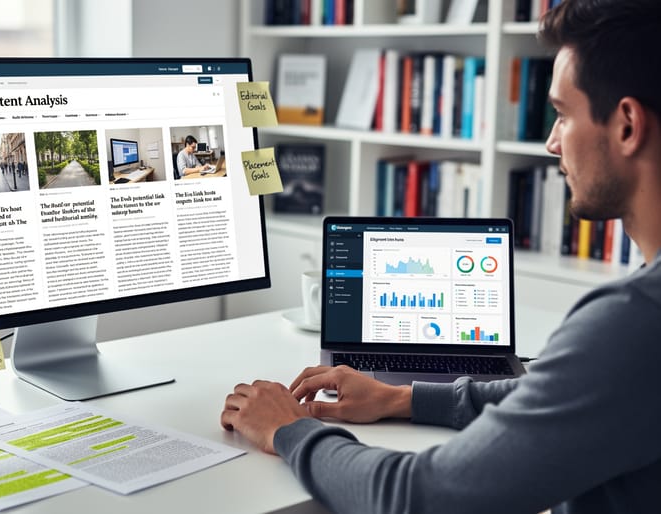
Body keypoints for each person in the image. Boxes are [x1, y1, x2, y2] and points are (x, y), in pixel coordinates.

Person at [220, 1, 661, 513]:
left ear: (627, 125)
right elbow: (561, 398)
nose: (551, 143)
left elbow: (418, 496)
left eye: (562, 115)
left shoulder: (633, 324)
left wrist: (289, 428)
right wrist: (401, 398)